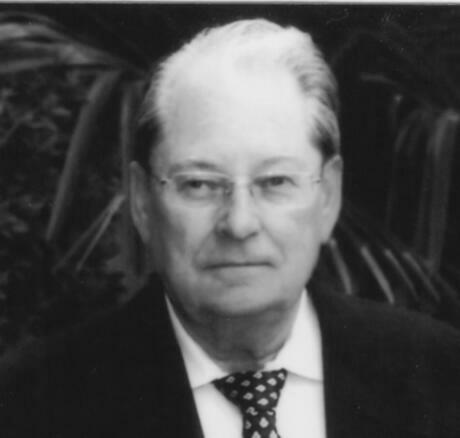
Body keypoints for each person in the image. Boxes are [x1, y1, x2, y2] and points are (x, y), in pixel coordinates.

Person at [3, 18, 460, 438]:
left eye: (275, 181)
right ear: (142, 202)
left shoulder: (440, 376)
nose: (239, 224)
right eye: (200, 184)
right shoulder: (32, 404)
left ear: (328, 196)